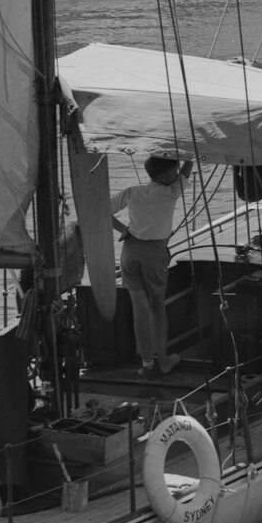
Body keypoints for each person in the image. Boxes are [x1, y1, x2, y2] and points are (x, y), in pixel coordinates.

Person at [111, 156, 192, 377]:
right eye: (173, 172)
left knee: (140, 310)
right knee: (157, 308)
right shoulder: (170, 193)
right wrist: (189, 154)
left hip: (129, 252)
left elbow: (102, 210)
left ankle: (146, 364)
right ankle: (164, 361)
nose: (176, 175)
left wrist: (124, 230)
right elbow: (186, 171)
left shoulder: (132, 192)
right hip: (153, 254)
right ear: (166, 176)